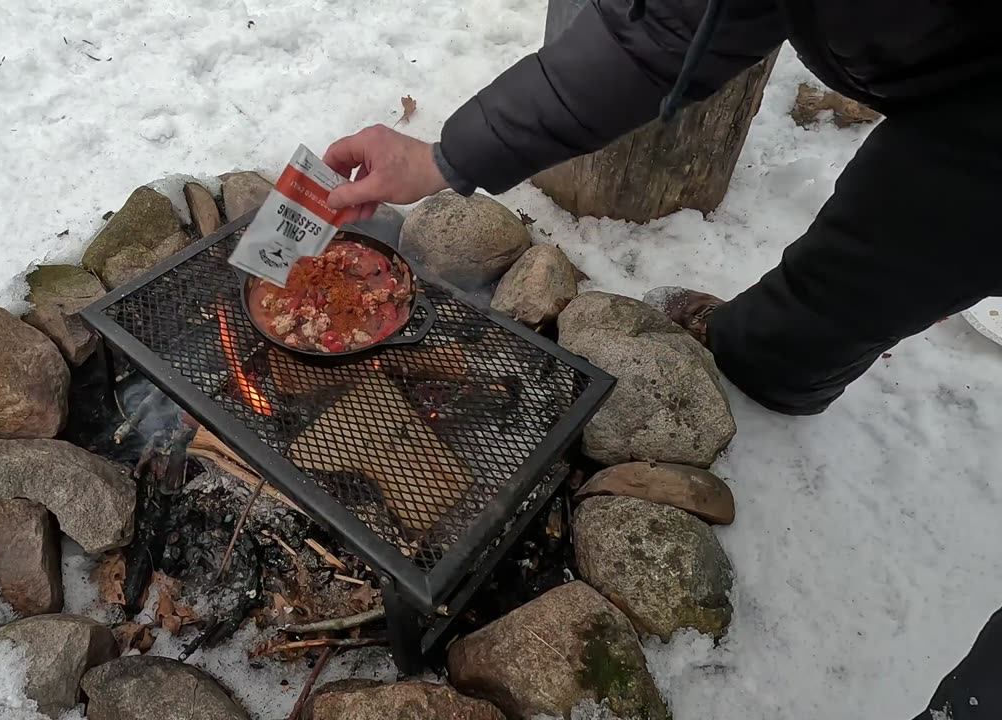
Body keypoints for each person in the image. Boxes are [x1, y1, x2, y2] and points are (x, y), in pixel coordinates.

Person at [320, 0, 1000, 717]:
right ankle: (770, 361)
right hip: (964, 93)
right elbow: (666, 27)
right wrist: (440, 158)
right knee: (880, 249)